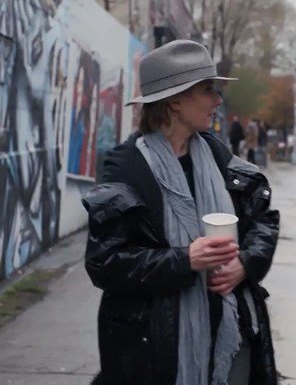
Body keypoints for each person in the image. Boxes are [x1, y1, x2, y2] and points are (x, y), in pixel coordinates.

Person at [83, 40, 280, 385]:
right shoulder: (126, 168)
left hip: (230, 339)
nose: (217, 100)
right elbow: (106, 262)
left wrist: (245, 263)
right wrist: (185, 260)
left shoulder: (219, 158)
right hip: (154, 352)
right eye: (207, 90)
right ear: (175, 101)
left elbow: (262, 220)